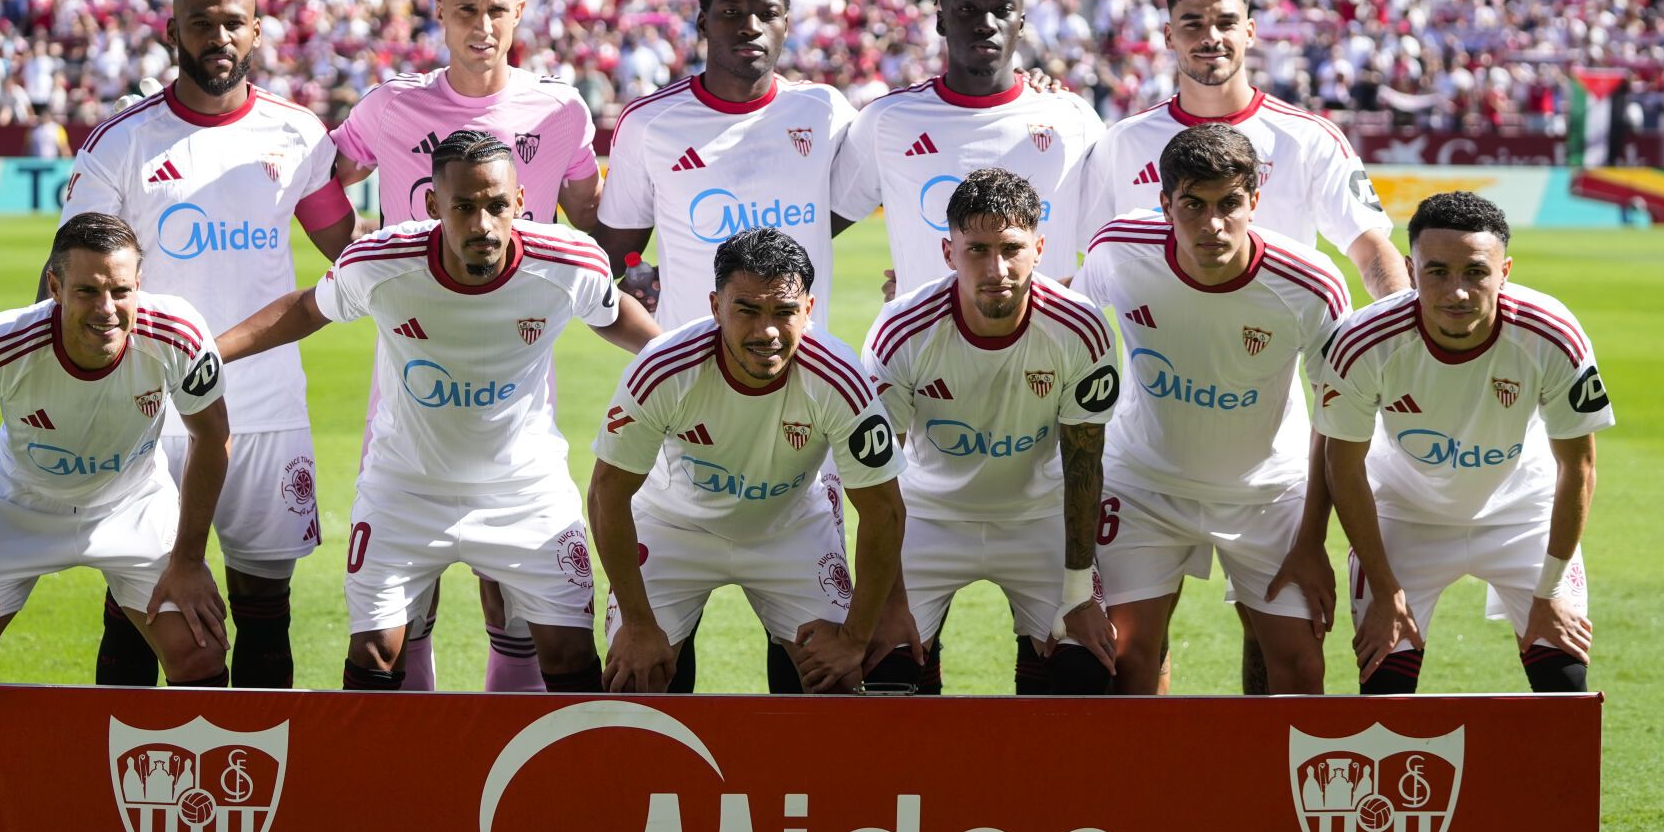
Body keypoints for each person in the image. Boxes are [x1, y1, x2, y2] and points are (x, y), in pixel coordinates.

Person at [214, 131, 660, 691]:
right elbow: (307, 308)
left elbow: (612, 311)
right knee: (375, 653)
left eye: (498, 205)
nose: (482, 224)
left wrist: (681, 357)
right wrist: (210, 351)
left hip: (525, 490)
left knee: (571, 653)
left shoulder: (568, 262)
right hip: (405, 488)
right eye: (464, 207)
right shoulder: (381, 261)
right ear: (432, 206)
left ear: (520, 202)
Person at [1073, 0, 1407, 694]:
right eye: (1192, 23)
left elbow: (1371, 244)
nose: (1210, 37)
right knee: (1135, 652)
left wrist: (1400, 333)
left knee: (1277, 643)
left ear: (1250, 31)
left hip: (1269, 434)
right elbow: (1075, 280)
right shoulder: (1124, 143)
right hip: (1156, 432)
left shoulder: (1307, 138)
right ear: (1167, 37)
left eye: (1225, 22)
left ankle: (1259, 800)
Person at [0, 212, 230, 832]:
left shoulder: (176, 333)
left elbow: (213, 432)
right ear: (55, 286)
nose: (107, 307)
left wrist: (187, 559)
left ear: (140, 284)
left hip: (132, 504)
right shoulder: (3, 342)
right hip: (18, 505)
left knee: (201, 645)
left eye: (120, 289)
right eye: (87, 291)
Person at [62, 0, 355, 691]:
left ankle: (258, 789)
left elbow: (352, 256)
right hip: (150, 413)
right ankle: (120, 791)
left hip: (267, 412)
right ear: (172, 32)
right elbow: (69, 279)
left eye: (233, 22)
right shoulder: (122, 142)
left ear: (257, 30)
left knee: (266, 609)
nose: (218, 37)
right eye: (201, 22)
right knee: (137, 605)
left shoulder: (297, 133)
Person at [330, 0, 604, 692]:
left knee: (512, 595)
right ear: (440, 14)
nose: (481, 25)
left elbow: (592, 213)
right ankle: (415, 783)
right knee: (402, 604)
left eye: (496, 10)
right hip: (408, 387)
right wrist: (347, 254)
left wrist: (595, 277)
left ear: (520, 14)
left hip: (516, 381)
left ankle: (500, 775)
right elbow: (323, 176)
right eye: (466, 10)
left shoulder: (558, 109)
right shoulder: (392, 107)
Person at [1072, 124, 1348, 695]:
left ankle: (1270, 787)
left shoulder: (1311, 285)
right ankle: (1146, 785)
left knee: (1300, 667)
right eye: (1192, 205)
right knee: (1126, 660)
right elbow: (1066, 326)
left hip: (1267, 493)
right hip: (1144, 483)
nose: (1212, 224)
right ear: (1165, 203)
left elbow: (1335, 418)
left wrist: (1313, 539)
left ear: (1255, 201)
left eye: (1229, 204)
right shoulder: (1117, 250)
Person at [1314, 191, 1613, 693]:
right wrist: (1385, 589)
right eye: (1437, 272)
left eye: (1476, 272)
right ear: (1410, 272)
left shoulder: (1551, 333)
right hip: (1403, 517)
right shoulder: (1363, 342)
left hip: (1524, 513)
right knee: (1384, 682)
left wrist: (1552, 586)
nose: (1457, 292)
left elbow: (1578, 466)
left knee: (1564, 684)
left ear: (1505, 271)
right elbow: (1342, 466)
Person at [589, 228, 910, 695]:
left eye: (785, 312)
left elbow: (885, 510)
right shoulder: (662, 367)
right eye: (747, 310)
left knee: (837, 675)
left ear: (809, 310)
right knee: (636, 675)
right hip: (675, 526)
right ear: (716, 306)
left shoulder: (840, 378)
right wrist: (637, 624)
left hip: (790, 528)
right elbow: (606, 494)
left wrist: (854, 638)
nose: (768, 332)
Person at [862, 169, 1121, 695]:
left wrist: (1079, 592)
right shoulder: (901, 330)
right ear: (947, 251)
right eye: (976, 249)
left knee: (1085, 671)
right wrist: (888, 604)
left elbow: (1084, 462)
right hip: (928, 517)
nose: (996, 268)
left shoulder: (1081, 327)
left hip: (1037, 516)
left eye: (1011, 248)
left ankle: (1033, 777)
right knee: (885, 670)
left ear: (1039, 247)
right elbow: (876, 475)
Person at [592, 0, 859, 333]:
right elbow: (606, 266)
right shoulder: (649, 124)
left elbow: (881, 186)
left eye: (767, 14)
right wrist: (653, 348)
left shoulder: (824, 110)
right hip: (693, 376)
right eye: (732, 12)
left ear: (785, 24)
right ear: (703, 22)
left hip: (806, 370)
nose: (751, 26)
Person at [835, 0, 1105, 296]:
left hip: (1047, 352)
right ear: (941, 20)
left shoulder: (1071, 117)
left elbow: (1117, 241)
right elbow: (817, 224)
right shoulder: (887, 121)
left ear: (1021, 24)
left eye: (1002, 10)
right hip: (926, 350)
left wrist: (1068, 299)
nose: (986, 24)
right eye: (968, 9)